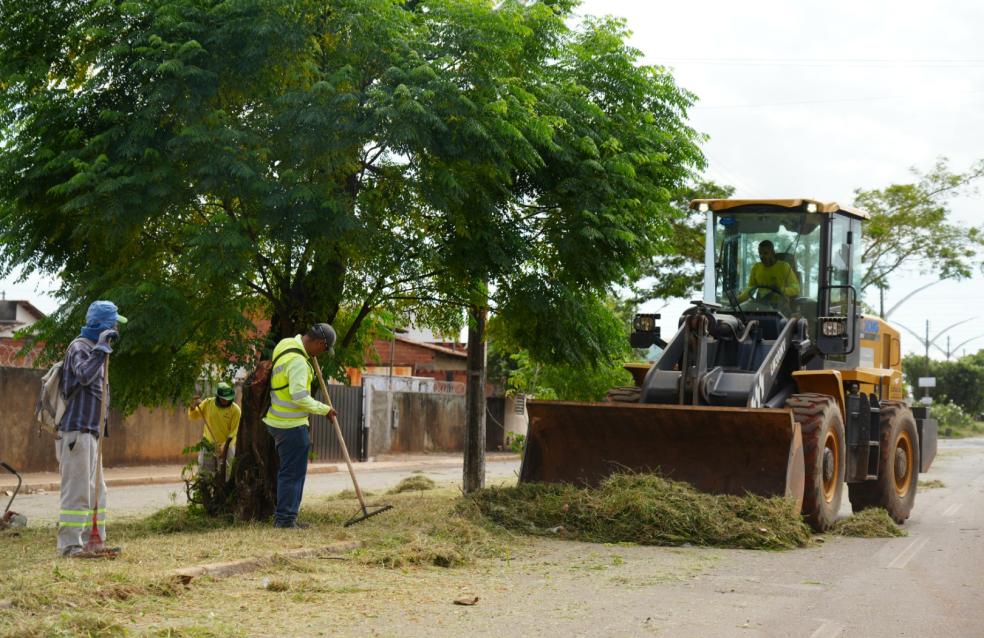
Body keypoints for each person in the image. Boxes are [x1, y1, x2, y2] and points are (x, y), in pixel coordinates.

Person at [56, 300, 126, 558]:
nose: (117, 328)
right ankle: (70, 546)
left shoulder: (99, 351)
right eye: (114, 323)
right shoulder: (80, 347)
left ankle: (93, 541)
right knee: (77, 489)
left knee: (98, 491)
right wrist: (100, 348)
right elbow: (83, 376)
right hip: (77, 431)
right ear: (103, 325)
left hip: (92, 433)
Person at [263, 323, 337, 528]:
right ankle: (286, 520)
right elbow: (299, 397)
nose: (321, 354)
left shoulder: (285, 344)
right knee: (292, 474)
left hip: (277, 421)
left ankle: (286, 517)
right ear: (320, 343)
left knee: (288, 472)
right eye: (323, 349)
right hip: (291, 425)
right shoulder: (298, 362)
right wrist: (325, 409)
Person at [188, 382, 241, 479]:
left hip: (227, 446)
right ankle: (205, 492)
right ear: (218, 396)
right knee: (205, 474)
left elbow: (234, 431)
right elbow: (193, 416)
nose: (225, 401)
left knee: (228, 474)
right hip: (208, 444)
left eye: (228, 398)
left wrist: (224, 446)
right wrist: (192, 406)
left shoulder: (235, 410)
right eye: (223, 398)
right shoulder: (208, 403)